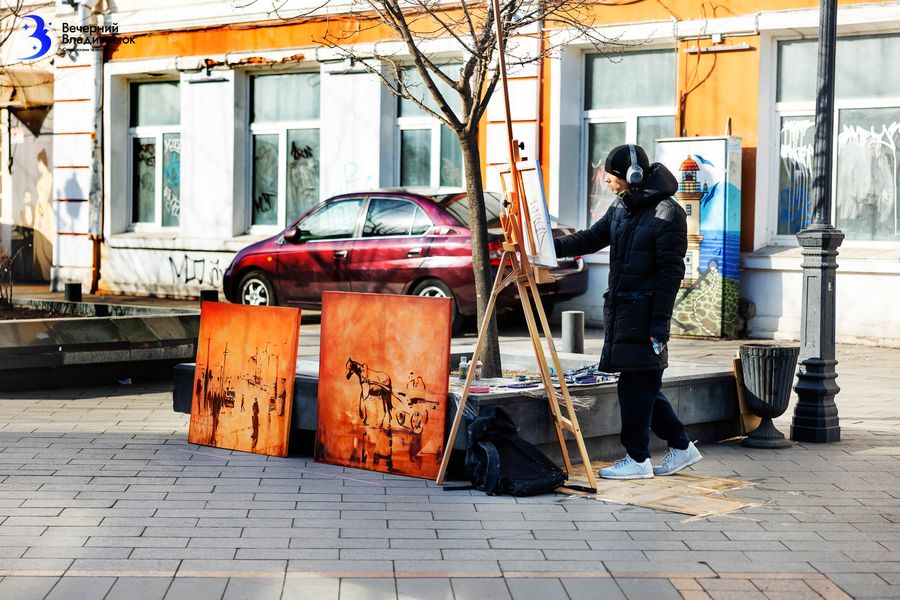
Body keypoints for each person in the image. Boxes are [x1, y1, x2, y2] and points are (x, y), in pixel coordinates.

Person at [553, 144, 702, 479]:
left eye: (611, 177)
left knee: (635, 388)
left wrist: (659, 326)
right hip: (623, 311)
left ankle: (637, 460)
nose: (606, 182)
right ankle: (681, 447)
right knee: (644, 385)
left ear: (631, 176)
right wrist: (552, 247)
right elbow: (592, 237)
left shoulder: (667, 213)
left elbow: (670, 275)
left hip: (645, 314)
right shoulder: (623, 206)